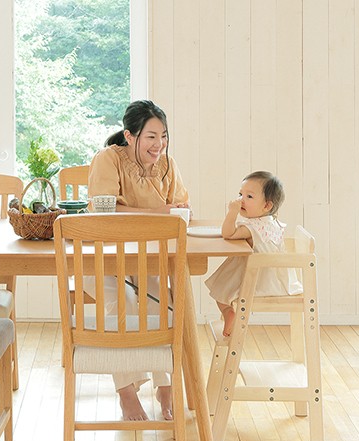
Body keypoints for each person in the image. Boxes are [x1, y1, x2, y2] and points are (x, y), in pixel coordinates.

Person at [86, 99, 191, 422]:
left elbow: (182, 205)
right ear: (130, 137)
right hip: (101, 260)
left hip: (148, 259)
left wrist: (177, 212)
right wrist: (158, 213)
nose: (159, 144)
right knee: (125, 302)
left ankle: (165, 386)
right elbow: (102, 210)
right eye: (151, 137)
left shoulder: (167, 165)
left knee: (163, 303)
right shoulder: (108, 159)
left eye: (163, 136)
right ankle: (127, 392)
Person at [205, 170, 303, 337]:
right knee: (224, 279)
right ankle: (230, 316)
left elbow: (228, 233)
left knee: (219, 288)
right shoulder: (270, 222)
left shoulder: (253, 228)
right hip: (277, 279)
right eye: (240, 194)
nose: (241, 199)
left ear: (267, 205)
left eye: (249, 197)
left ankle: (229, 313)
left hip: (260, 282)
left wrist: (232, 213)